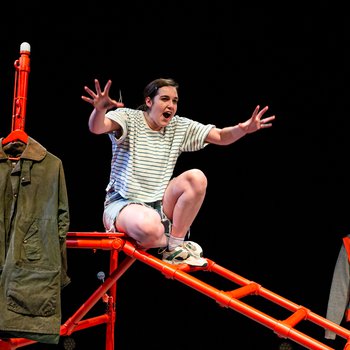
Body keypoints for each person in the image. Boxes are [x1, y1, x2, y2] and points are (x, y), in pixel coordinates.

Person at [81, 77, 275, 267]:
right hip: (123, 204)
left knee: (196, 178)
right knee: (151, 228)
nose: (171, 106)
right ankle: (171, 240)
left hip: (160, 206)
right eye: (165, 99)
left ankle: (174, 247)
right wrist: (100, 109)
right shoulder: (129, 118)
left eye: (175, 101)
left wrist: (243, 129)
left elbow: (220, 136)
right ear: (149, 101)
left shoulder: (178, 126)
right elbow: (97, 127)